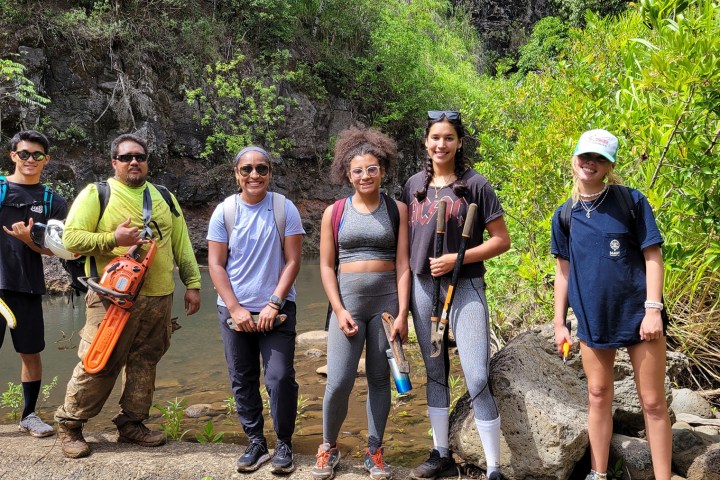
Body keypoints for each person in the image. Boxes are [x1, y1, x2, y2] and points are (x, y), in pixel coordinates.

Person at [54, 133, 201, 458]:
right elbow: (71, 238)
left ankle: (132, 423)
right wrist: (112, 238)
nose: (134, 161)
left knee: (145, 364)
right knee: (99, 361)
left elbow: (181, 242)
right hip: (112, 299)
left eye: (140, 156)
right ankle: (70, 424)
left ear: (147, 161)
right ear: (114, 163)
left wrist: (193, 283)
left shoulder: (164, 196)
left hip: (159, 298)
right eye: (126, 157)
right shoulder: (97, 194)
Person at [551, 129, 671, 480]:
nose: (590, 163)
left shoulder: (631, 202)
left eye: (599, 158)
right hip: (592, 316)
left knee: (652, 402)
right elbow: (563, 273)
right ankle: (598, 474)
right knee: (598, 395)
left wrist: (653, 309)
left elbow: (653, 258)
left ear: (610, 165)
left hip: (639, 315)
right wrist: (560, 322)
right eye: (585, 156)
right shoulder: (565, 215)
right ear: (574, 158)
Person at [401, 111, 511, 480]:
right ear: (425, 142)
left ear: (459, 142)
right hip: (421, 286)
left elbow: (501, 241)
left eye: (448, 138)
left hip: (465, 286)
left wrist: (455, 259)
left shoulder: (477, 185)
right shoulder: (413, 184)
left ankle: (494, 465)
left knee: (477, 374)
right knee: (435, 371)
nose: (441, 145)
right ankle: (441, 452)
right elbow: (404, 247)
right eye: (435, 137)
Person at [312, 127, 410, 480]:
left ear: (382, 169)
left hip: (386, 306)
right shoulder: (334, 213)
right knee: (338, 380)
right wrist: (338, 310)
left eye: (371, 168)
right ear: (347, 174)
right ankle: (328, 446)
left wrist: (402, 314)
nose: (365, 176)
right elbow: (326, 266)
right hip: (348, 305)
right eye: (357, 170)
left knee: (381, 379)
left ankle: (375, 450)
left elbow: (403, 265)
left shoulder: (397, 210)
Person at [207, 146, 304, 474]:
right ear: (237, 174)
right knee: (242, 377)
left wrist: (274, 302)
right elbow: (216, 265)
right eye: (247, 169)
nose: (254, 175)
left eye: (261, 169)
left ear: (270, 173)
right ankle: (256, 442)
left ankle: (284, 442)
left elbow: (293, 260)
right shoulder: (225, 212)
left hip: (276, 311)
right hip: (234, 313)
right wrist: (235, 308)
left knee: (279, 377)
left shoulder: (283, 208)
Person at [0, 130, 68, 438]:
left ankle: (28, 415)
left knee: (30, 352)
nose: (30, 160)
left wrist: (29, 240)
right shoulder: (1, 190)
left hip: (27, 285)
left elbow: (62, 248)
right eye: (24, 154)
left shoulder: (52, 200)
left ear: (46, 160)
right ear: (13, 155)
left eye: (37, 155)